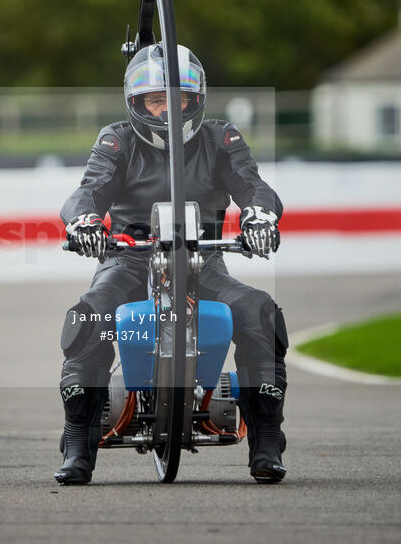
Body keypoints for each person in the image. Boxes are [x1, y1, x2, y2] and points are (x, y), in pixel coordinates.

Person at [55, 43, 288, 485]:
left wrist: (260, 215)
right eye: (155, 99)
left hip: (205, 262)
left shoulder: (222, 138)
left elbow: (254, 186)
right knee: (92, 316)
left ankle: (267, 441)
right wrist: (84, 221)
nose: (167, 109)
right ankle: (77, 442)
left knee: (261, 313)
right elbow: (87, 190)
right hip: (127, 262)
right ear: (137, 103)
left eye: (177, 97)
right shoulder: (116, 139)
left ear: (194, 98)